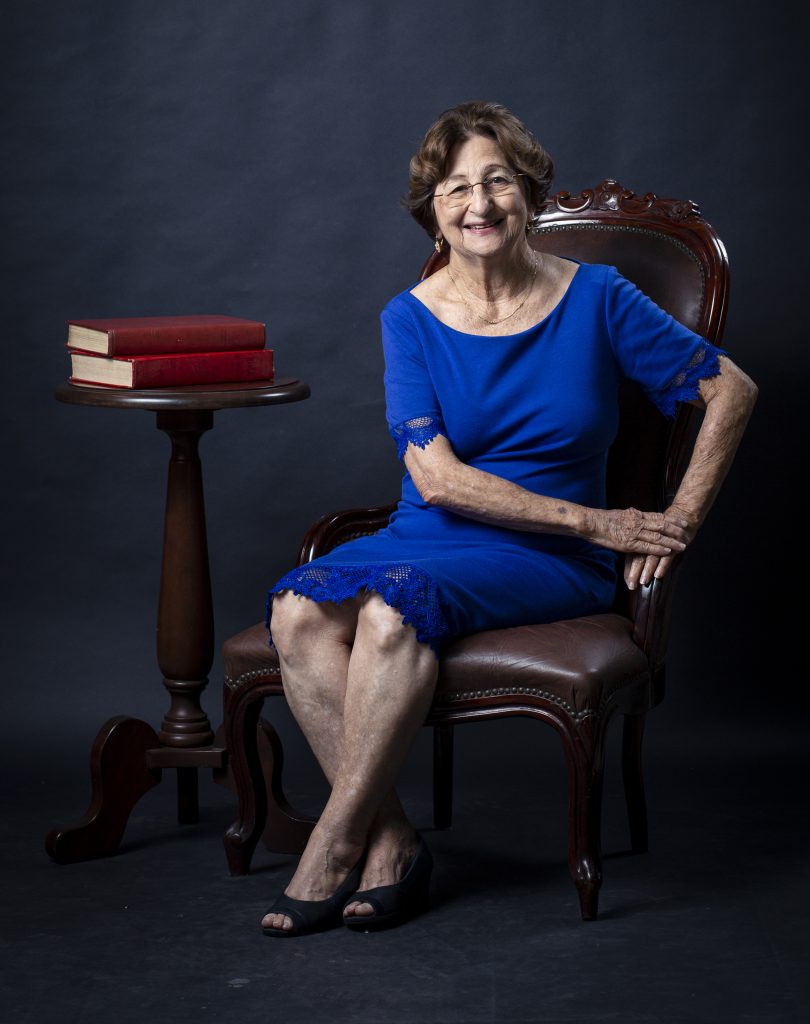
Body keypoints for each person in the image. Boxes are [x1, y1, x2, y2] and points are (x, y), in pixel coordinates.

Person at [261, 101, 758, 936]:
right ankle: (388, 845)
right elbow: (439, 480)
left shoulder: (598, 296)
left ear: (530, 192)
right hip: (435, 534)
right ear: (434, 209)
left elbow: (731, 390)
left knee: (388, 616)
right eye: (457, 188)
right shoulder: (409, 316)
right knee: (295, 609)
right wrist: (609, 523)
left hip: (551, 554)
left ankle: (331, 844)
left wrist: (677, 520)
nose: (479, 204)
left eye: (498, 181)